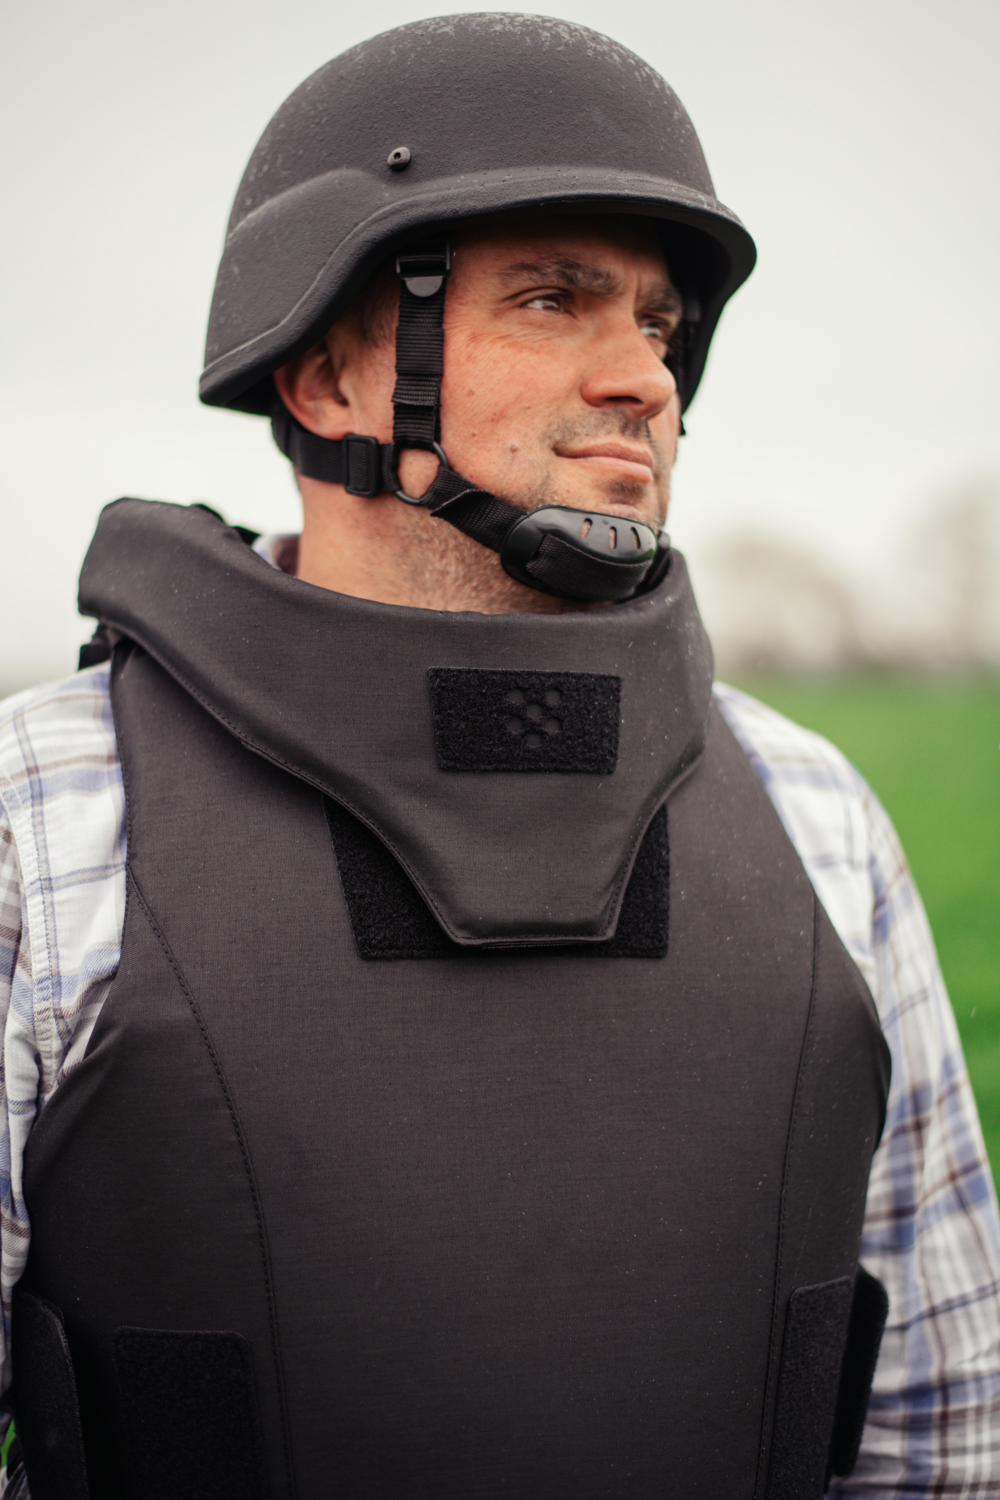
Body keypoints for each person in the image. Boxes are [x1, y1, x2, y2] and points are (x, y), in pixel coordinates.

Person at [0, 15, 997, 1499]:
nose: (645, 378)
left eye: (660, 325)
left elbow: (943, 1436)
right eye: (553, 299)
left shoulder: (815, 814)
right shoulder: (49, 812)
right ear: (326, 380)